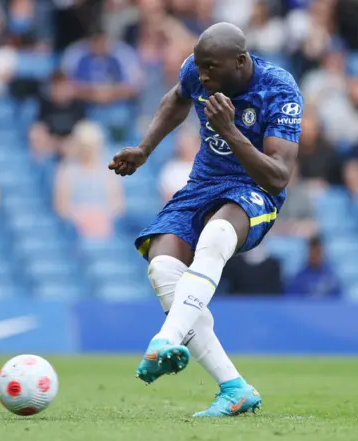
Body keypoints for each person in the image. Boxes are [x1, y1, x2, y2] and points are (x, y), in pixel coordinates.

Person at [108, 22, 302, 417]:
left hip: (254, 191)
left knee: (215, 237)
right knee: (162, 267)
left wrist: (229, 131)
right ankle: (234, 387)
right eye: (200, 67)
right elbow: (176, 98)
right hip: (203, 183)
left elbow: (278, 175)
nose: (204, 76)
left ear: (241, 62)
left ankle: (166, 338)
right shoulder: (197, 71)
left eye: (212, 68)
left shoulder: (279, 90)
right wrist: (145, 149)